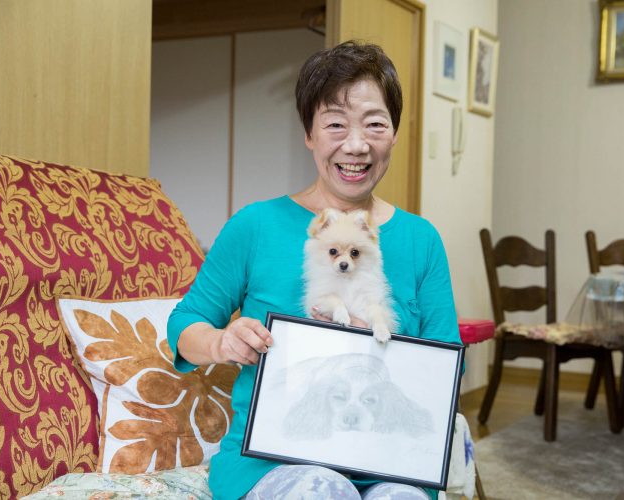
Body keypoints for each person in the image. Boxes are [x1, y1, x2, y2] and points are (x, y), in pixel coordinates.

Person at [167, 41, 461, 500]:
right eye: (336, 125)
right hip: (270, 459)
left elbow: (445, 363)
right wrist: (221, 341)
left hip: (391, 459)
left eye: (375, 125)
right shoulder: (255, 226)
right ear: (309, 134)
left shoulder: (421, 240)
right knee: (320, 488)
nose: (357, 145)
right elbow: (184, 325)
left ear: (395, 133)